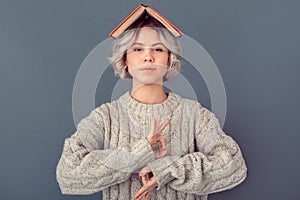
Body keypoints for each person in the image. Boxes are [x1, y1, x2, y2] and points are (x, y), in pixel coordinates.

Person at [56, 9, 247, 200]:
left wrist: (167, 170)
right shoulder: (105, 118)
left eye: (158, 49)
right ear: (125, 58)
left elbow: (233, 165)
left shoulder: (195, 115)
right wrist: (141, 152)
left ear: (169, 58)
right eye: (137, 49)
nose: (148, 57)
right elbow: (67, 173)